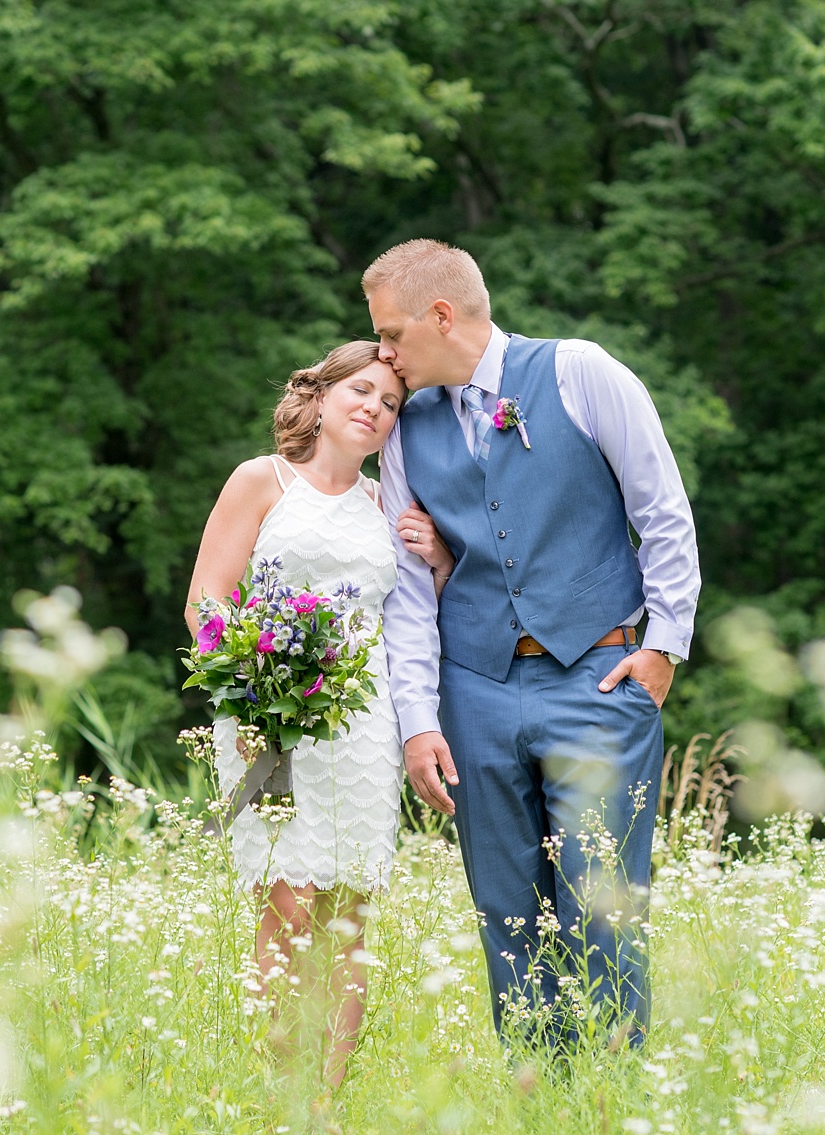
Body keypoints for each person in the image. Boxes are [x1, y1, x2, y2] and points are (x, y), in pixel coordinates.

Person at [368, 239, 700, 1045]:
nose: (382, 353)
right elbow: (409, 592)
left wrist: (665, 645)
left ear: (441, 316)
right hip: (474, 691)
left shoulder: (578, 372)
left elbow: (663, 512)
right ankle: (539, 1098)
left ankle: (618, 1099)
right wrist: (418, 719)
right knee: (507, 915)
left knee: (604, 904)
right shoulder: (403, 428)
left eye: (391, 335)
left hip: (597, 675)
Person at [184, 341, 449, 1085]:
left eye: (391, 403)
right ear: (323, 395)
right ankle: (278, 1088)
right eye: (361, 390)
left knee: (347, 915)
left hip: (363, 727)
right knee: (290, 904)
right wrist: (252, 676)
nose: (374, 407)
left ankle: (324, 1100)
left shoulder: (385, 504)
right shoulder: (260, 481)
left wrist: (439, 557)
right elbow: (207, 596)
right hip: (272, 718)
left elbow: (422, 613)